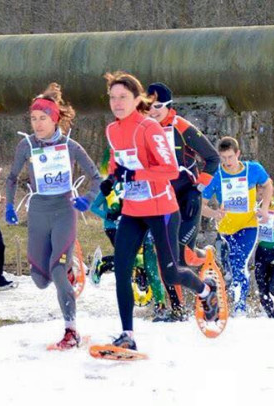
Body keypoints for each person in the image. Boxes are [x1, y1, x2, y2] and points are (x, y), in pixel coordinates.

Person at [101, 71, 220, 350]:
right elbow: (117, 162)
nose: (117, 103)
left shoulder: (149, 128)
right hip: (133, 210)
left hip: (162, 209)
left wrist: (135, 175)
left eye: (123, 97)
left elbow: (168, 169)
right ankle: (128, 335)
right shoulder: (112, 130)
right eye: (113, 98)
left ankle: (206, 290)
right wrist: (111, 178)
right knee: (122, 269)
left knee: (170, 272)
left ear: (136, 99)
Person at [5, 83, 101, 349]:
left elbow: (96, 178)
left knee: (57, 271)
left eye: (42, 118)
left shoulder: (71, 146)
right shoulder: (26, 145)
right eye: (33, 118)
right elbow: (11, 177)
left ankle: (71, 330)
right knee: (39, 280)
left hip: (64, 211)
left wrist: (87, 200)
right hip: (38, 213)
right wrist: (9, 207)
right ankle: (68, 269)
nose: (37, 124)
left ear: (55, 118)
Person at [147, 82, 220, 266]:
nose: (153, 111)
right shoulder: (143, 128)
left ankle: (207, 258)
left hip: (187, 196)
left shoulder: (181, 126)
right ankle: (173, 295)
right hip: (161, 198)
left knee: (183, 256)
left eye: (158, 106)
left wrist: (198, 188)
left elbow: (213, 158)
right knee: (164, 255)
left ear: (168, 105)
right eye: (148, 106)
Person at [201, 136, 274, 316]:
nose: (228, 162)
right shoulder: (216, 175)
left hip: (248, 226)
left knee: (239, 262)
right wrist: (215, 213)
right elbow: (200, 206)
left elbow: (268, 185)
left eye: (231, 157)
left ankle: (240, 307)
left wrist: (264, 208)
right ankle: (231, 296)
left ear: (238, 154)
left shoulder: (253, 169)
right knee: (230, 268)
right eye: (223, 158)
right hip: (225, 231)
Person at [253, 186, 274, 318]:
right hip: (261, 251)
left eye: (265, 193)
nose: (262, 197)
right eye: (259, 194)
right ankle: (271, 317)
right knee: (262, 288)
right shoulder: (254, 208)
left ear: (271, 191)